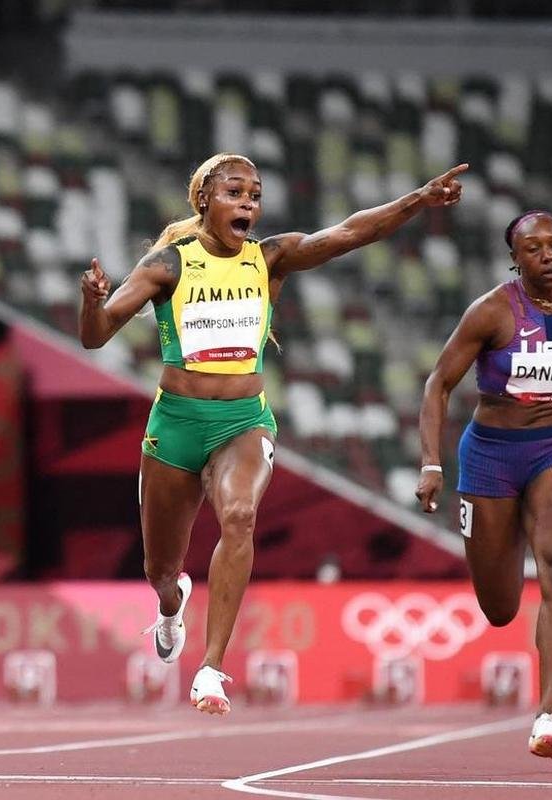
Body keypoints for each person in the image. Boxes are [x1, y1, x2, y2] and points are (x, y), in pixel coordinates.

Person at [80, 153, 467, 715]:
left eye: (255, 195)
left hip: (244, 421)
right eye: (236, 193)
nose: (249, 204)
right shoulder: (168, 265)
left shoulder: (271, 258)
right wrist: (92, 301)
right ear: (205, 200)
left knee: (239, 515)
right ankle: (171, 606)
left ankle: (211, 670)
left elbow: (350, 232)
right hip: (176, 426)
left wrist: (417, 199)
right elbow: (95, 337)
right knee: (160, 570)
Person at [416, 210, 552, 760]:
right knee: (500, 607)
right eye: (533, 248)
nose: (548, 255)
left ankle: (547, 717)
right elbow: (439, 383)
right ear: (515, 259)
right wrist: (430, 463)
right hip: (489, 457)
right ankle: (506, 532)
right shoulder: (491, 312)